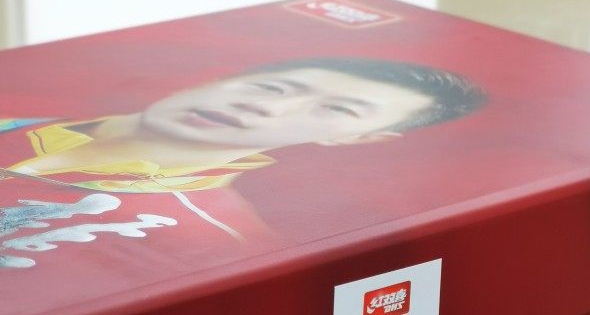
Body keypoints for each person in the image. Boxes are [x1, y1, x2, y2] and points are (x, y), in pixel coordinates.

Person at [1, 57, 485, 194]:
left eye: (340, 111)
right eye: (271, 87)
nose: (267, 109)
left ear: (358, 138)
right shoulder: (14, 118)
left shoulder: (202, 232)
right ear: (218, 78)